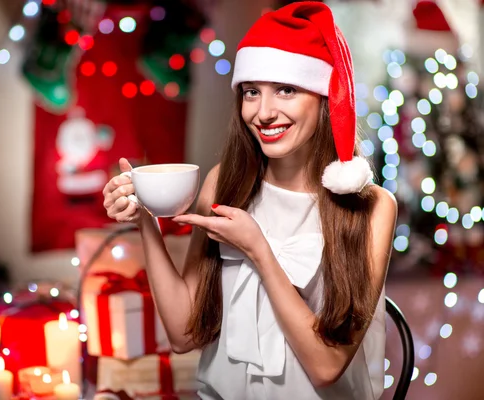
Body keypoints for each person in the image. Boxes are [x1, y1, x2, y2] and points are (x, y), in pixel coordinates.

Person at [102, 2, 396, 399]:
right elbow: (183, 333)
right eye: (252, 92)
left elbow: (327, 367)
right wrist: (145, 219)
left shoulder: (373, 206)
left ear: (325, 97)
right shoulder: (224, 183)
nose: (264, 112)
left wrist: (258, 249)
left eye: (287, 90)